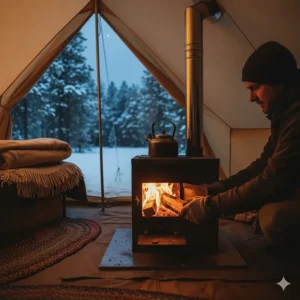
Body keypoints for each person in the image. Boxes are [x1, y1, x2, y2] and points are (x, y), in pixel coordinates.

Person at [180, 41, 300, 248]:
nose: (251, 97)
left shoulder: (296, 117)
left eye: (255, 88)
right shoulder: (284, 112)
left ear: (278, 82)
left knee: (272, 219)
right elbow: (263, 164)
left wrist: (210, 206)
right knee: (260, 202)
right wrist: (214, 190)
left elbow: (274, 179)